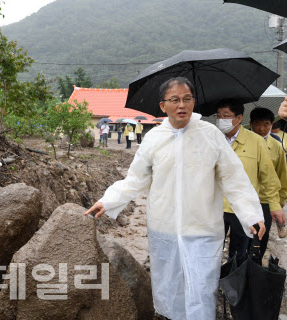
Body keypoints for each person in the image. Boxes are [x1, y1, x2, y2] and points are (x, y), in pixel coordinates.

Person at [85, 77, 265, 320]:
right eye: (175, 100)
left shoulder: (210, 135)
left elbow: (234, 179)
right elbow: (135, 179)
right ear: (163, 106)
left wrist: (252, 214)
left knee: (202, 289)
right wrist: (108, 200)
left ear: (193, 102)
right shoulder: (154, 139)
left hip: (202, 229)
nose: (182, 105)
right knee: (170, 290)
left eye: (187, 99)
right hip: (165, 229)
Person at [216, 101, 282, 259]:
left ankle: (235, 281)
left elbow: (269, 177)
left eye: (226, 116)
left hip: (244, 208)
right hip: (216, 206)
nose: (221, 120)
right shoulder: (213, 139)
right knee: (211, 250)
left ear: (239, 118)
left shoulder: (256, 142)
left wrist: (275, 205)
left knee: (240, 252)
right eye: (218, 116)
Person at [250, 107, 287, 240]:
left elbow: (282, 174)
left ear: (271, 125)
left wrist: (281, 200)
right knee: (243, 238)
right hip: (247, 198)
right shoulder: (244, 143)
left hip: (265, 200)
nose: (261, 129)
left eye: (266, 125)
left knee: (261, 238)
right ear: (250, 124)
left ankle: (257, 260)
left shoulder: (277, 146)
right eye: (257, 124)